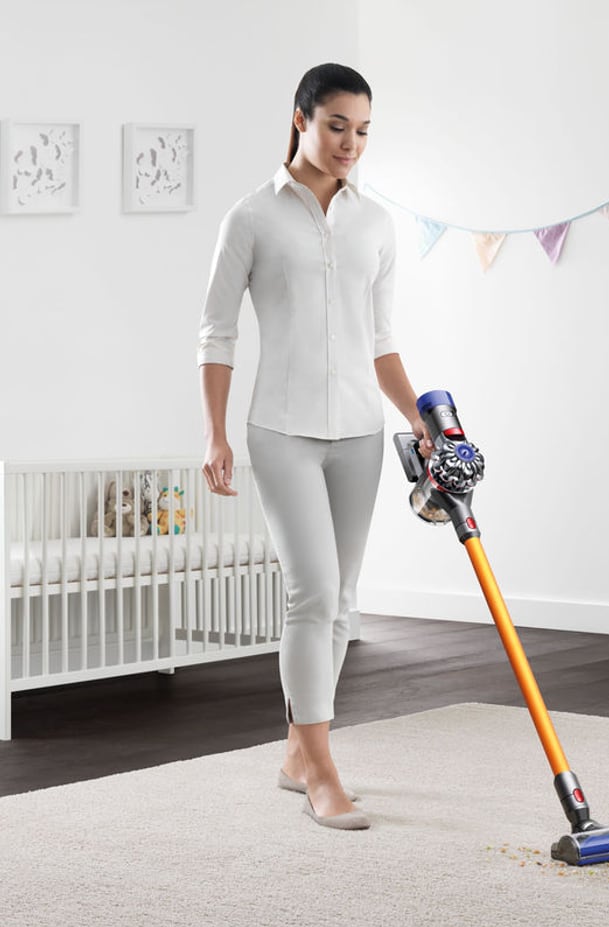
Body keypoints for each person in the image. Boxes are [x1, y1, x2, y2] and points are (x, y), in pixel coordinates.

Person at [197, 63, 430, 831]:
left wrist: (419, 420)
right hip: (282, 431)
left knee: (343, 603)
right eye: (336, 126)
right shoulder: (252, 217)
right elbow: (217, 333)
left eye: (362, 131)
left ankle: (298, 752)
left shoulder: (377, 224)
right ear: (301, 119)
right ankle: (323, 770)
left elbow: (382, 342)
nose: (350, 144)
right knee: (312, 593)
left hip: (359, 433)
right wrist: (216, 434)